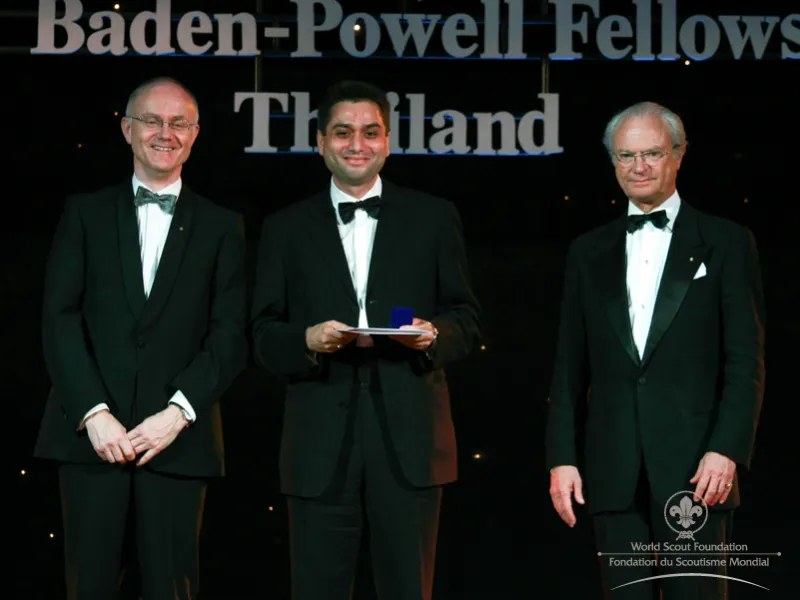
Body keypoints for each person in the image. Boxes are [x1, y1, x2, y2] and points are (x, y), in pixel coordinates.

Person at [250, 79, 481, 599]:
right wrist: (305, 340)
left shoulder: (433, 216)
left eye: (370, 132)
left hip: (411, 447)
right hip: (317, 450)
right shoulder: (285, 227)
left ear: (388, 142)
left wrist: (433, 336)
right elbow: (262, 334)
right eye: (343, 132)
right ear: (320, 142)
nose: (357, 144)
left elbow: (466, 318)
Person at [34, 76, 248, 600]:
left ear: (195, 134)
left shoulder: (223, 226)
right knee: (88, 587)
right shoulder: (84, 212)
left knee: (172, 589)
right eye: (152, 120)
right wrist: (93, 413)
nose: (164, 133)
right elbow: (59, 318)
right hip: (90, 440)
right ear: (127, 129)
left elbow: (229, 334)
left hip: (178, 443)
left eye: (178, 123)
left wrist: (176, 415)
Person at [545, 101, 765, 600]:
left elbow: (745, 361)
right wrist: (562, 458)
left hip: (698, 469)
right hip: (612, 467)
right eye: (626, 156)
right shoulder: (587, 251)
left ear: (679, 155)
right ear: (613, 162)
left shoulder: (726, 242)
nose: (639, 167)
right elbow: (568, 366)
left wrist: (727, 449)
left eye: (652, 154)